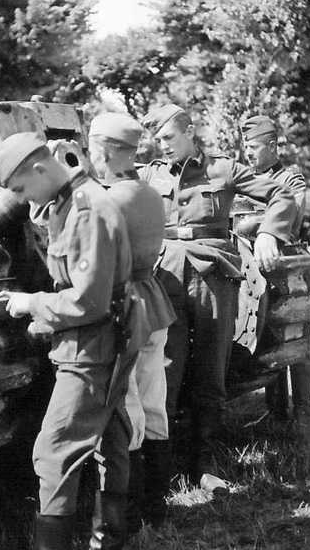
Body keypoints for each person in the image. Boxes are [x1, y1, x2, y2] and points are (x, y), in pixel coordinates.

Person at [0, 131, 141, 550]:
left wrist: (31, 303)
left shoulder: (86, 209)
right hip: (105, 337)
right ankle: (109, 539)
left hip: (92, 343)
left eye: (19, 188)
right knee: (110, 436)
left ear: (39, 168)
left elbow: (87, 300)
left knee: (53, 453)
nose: (20, 198)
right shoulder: (69, 201)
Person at [141, 104, 297, 488]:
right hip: (165, 277)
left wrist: (268, 233)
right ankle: (163, 466)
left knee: (211, 369)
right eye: (157, 139)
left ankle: (205, 463)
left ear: (189, 131)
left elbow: (283, 193)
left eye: (168, 138)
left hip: (213, 275)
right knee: (166, 367)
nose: (162, 146)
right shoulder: (148, 174)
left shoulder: (221, 169)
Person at [88, 112, 176, 528]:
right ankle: (158, 507)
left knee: (128, 411)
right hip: (153, 301)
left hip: (124, 309)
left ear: (103, 150)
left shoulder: (106, 199)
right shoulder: (149, 194)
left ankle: (131, 514)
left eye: (92, 147)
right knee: (154, 403)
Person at [242, 115, 310, 431]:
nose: (248, 153)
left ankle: (302, 411)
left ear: (272, 146)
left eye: (254, 146)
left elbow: (291, 219)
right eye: (245, 146)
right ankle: (275, 411)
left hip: (288, 269)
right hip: (254, 272)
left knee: (296, 339)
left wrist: (254, 224)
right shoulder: (245, 179)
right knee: (266, 340)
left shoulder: (291, 180)